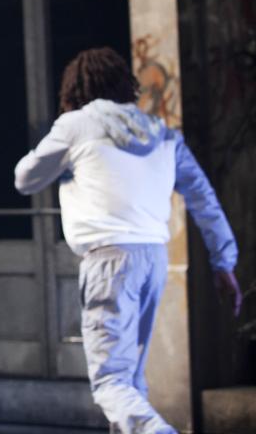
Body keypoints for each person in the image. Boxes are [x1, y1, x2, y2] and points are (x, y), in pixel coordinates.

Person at [14, 47, 242, 434]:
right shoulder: (162, 132)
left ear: (74, 90)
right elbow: (204, 198)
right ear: (126, 85)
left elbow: (25, 178)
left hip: (108, 260)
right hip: (154, 259)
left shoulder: (76, 126)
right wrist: (224, 263)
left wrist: (65, 166)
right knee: (131, 380)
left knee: (111, 382)